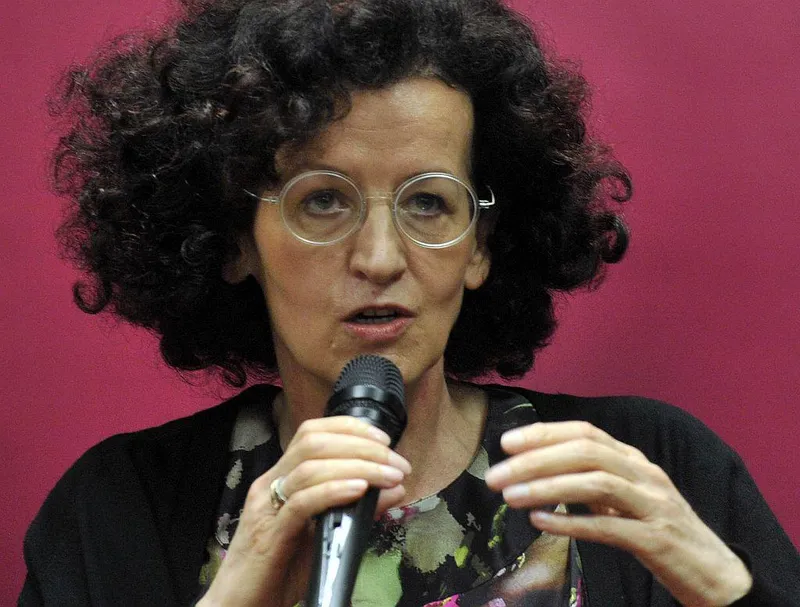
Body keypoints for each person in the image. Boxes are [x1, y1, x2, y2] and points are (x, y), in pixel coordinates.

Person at [20, 0, 800, 605]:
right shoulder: (118, 509)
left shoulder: (655, 469)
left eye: (428, 202)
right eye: (323, 200)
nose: (381, 258)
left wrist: (727, 589)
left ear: (481, 245)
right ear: (234, 240)